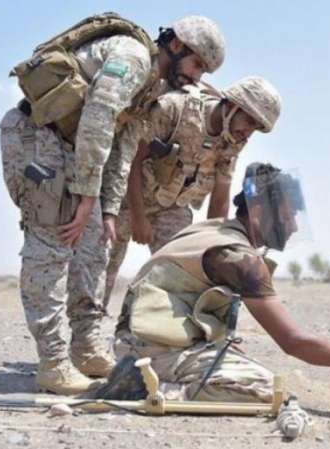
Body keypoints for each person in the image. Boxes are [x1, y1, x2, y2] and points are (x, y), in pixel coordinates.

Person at [0, 12, 226, 395]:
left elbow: (125, 144)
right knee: (52, 245)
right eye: (197, 64)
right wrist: (88, 194)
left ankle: (86, 348)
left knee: (95, 247)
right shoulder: (132, 58)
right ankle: (53, 363)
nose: (196, 77)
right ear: (176, 45)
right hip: (37, 138)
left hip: (73, 152)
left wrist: (107, 208)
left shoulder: (151, 86)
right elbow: (97, 118)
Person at [97, 163, 330, 403]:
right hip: (151, 348)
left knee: (242, 365)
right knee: (265, 389)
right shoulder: (240, 257)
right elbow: (294, 342)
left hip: (137, 340)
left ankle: (144, 374)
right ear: (259, 211)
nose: (293, 225)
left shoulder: (216, 230)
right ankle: (154, 389)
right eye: (289, 215)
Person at [102, 76, 282, 309]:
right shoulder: (174, 109)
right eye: (249, 121)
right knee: (102, 270)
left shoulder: (233, 141)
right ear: (232, 106)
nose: (248, 133)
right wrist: (138, 217)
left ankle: (159, 326)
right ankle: (89, 327)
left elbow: (220, 197)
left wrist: (214, 247)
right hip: (127, 199)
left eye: (256, 128)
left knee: (184, 275)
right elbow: (133, 160)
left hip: (171, 208)